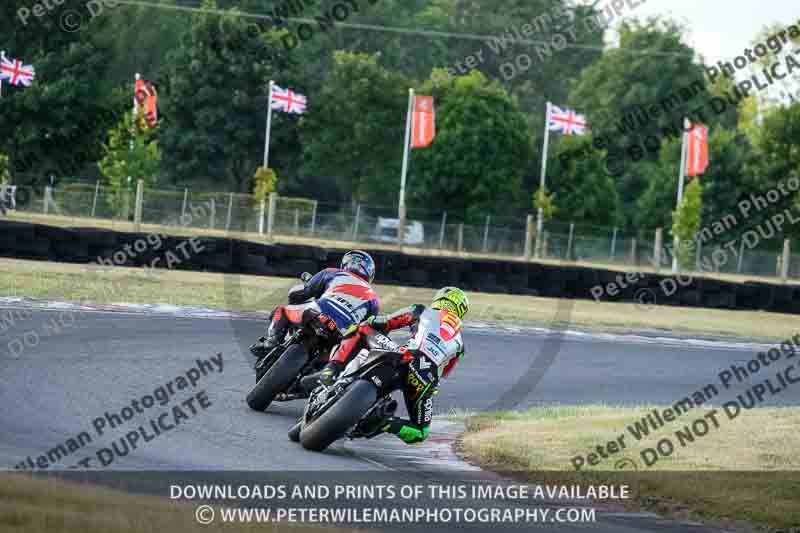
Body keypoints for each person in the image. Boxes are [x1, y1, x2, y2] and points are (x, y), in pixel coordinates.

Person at [349, 287, 469, 445]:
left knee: (362, 328)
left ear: (439, 299)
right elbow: (443, 374)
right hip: (426, 378)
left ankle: (334, 371)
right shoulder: (460, 345)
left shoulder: (421, 310)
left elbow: (386, 322)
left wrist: (371, 322)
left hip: (404, 355)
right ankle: (386, 423)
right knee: (420, 432)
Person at [250, 250, 380, 368]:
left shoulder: (333, 273)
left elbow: (301, 293)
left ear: (345, 263)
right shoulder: (374, 298)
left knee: (281, 310)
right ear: (370, 273)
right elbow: (368, 327)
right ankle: (322, 375)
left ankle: (272, 340)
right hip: (342, 332)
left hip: (318, 312)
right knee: (340, 356)